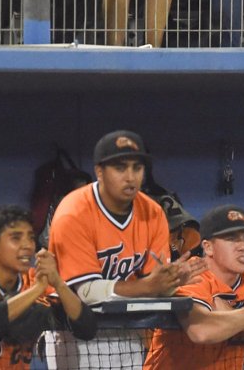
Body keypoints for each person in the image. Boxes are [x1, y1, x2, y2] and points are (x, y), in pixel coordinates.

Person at [46, 130, 206, 368]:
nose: (130, 177)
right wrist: (148, 286)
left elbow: (153, 283)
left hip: (126, 327)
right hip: (72, 328)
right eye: (120, 168)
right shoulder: (74, 213)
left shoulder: (152, 213)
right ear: (99, 172)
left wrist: (171, 281)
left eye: (137, 167)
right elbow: (86, 292)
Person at [144, 204, 244, 369]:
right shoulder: (190, 276)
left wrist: (238, 315)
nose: (243, 246)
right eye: (232, 238)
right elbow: (201, 331)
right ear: (208, 247)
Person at [0, 204, 96, 369]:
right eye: (16, 238)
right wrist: (36, 291)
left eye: (30, 237)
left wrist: (58, 283)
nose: (28, 246)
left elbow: (87, 328)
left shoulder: (33, 278)